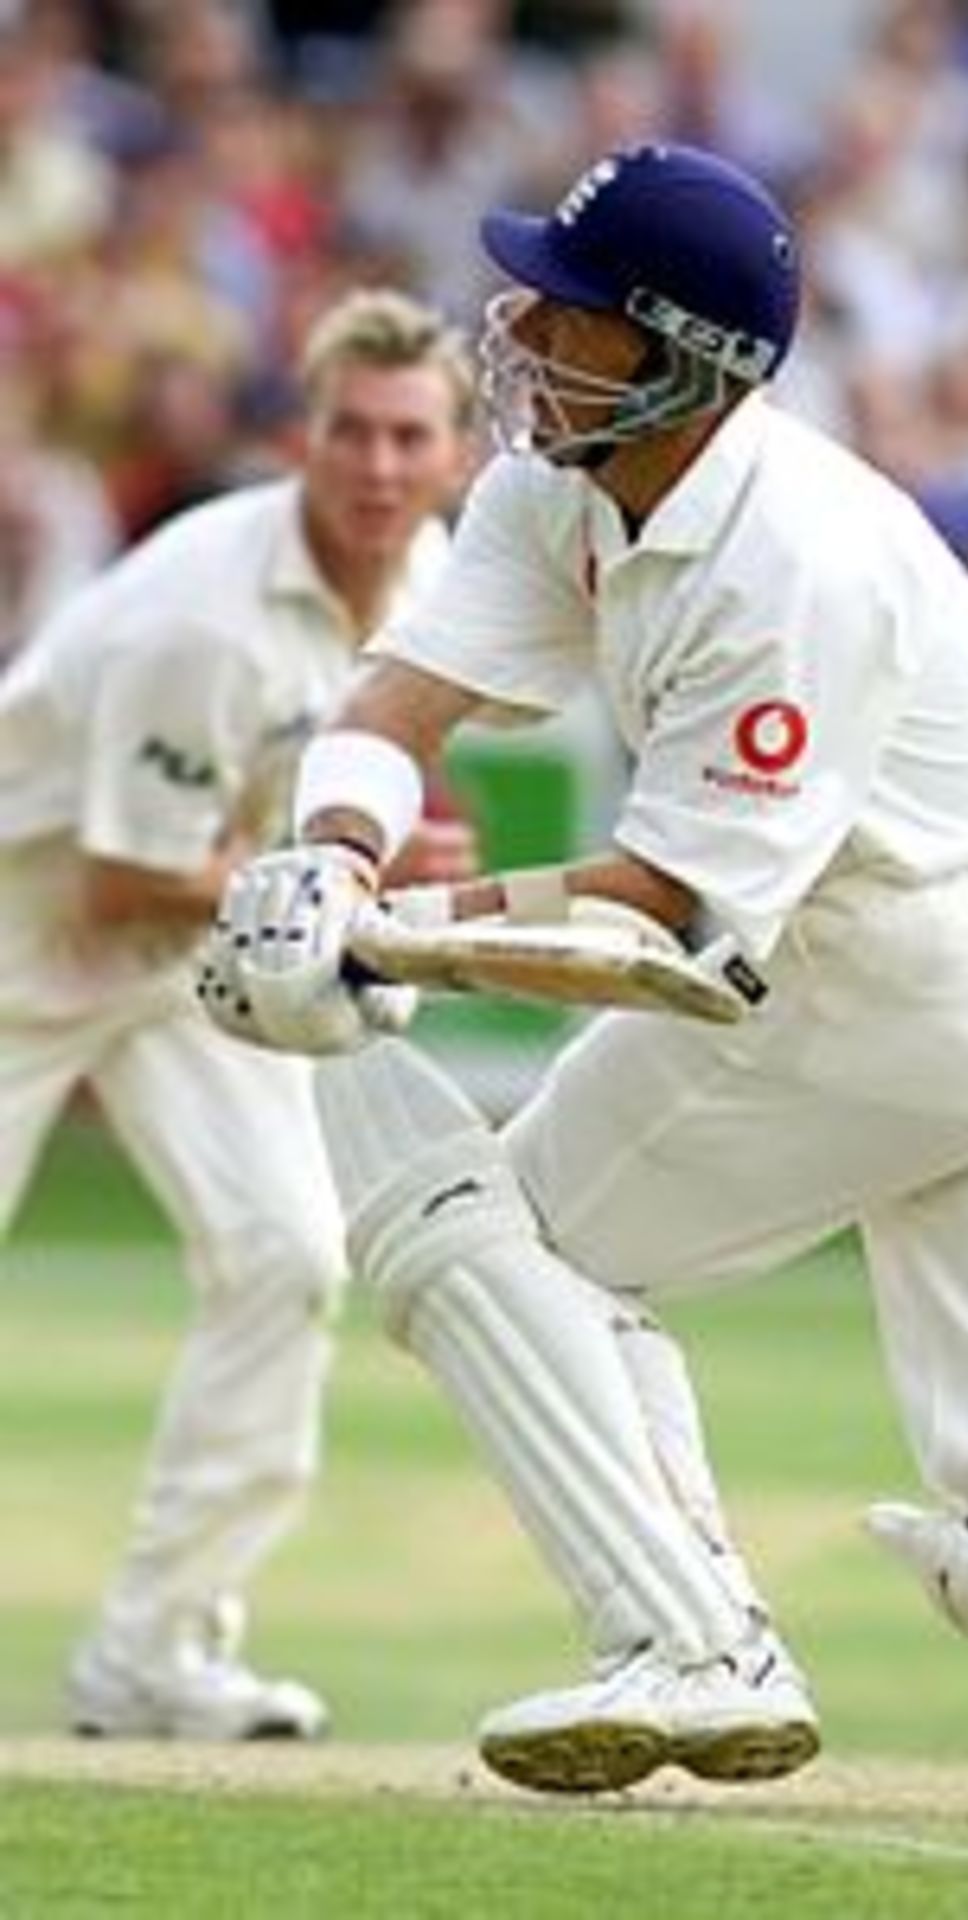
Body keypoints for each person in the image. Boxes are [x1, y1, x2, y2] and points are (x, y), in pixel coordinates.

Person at [203, 142, 968, 1795]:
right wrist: (333, 859)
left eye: (573, 317)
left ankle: (693, 1646)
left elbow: (669, 914)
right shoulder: (549, 486)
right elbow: (392, 706)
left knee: (487, 1236)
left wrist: (389, 938)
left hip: (930, 976)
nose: (526, 334)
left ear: (681, 360)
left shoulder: (799, 558)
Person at [0, 286, 477, 1739]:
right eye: (353, 435)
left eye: (411, 439)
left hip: (171, 966)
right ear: (302, 440)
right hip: (33, 940)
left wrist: (358, 868)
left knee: (284, 1256)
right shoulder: (200, 618)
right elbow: (121, 875)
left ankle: (156, 1656)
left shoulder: (429, 579)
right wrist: (335, 895)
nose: (381, 469)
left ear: (455, 454)